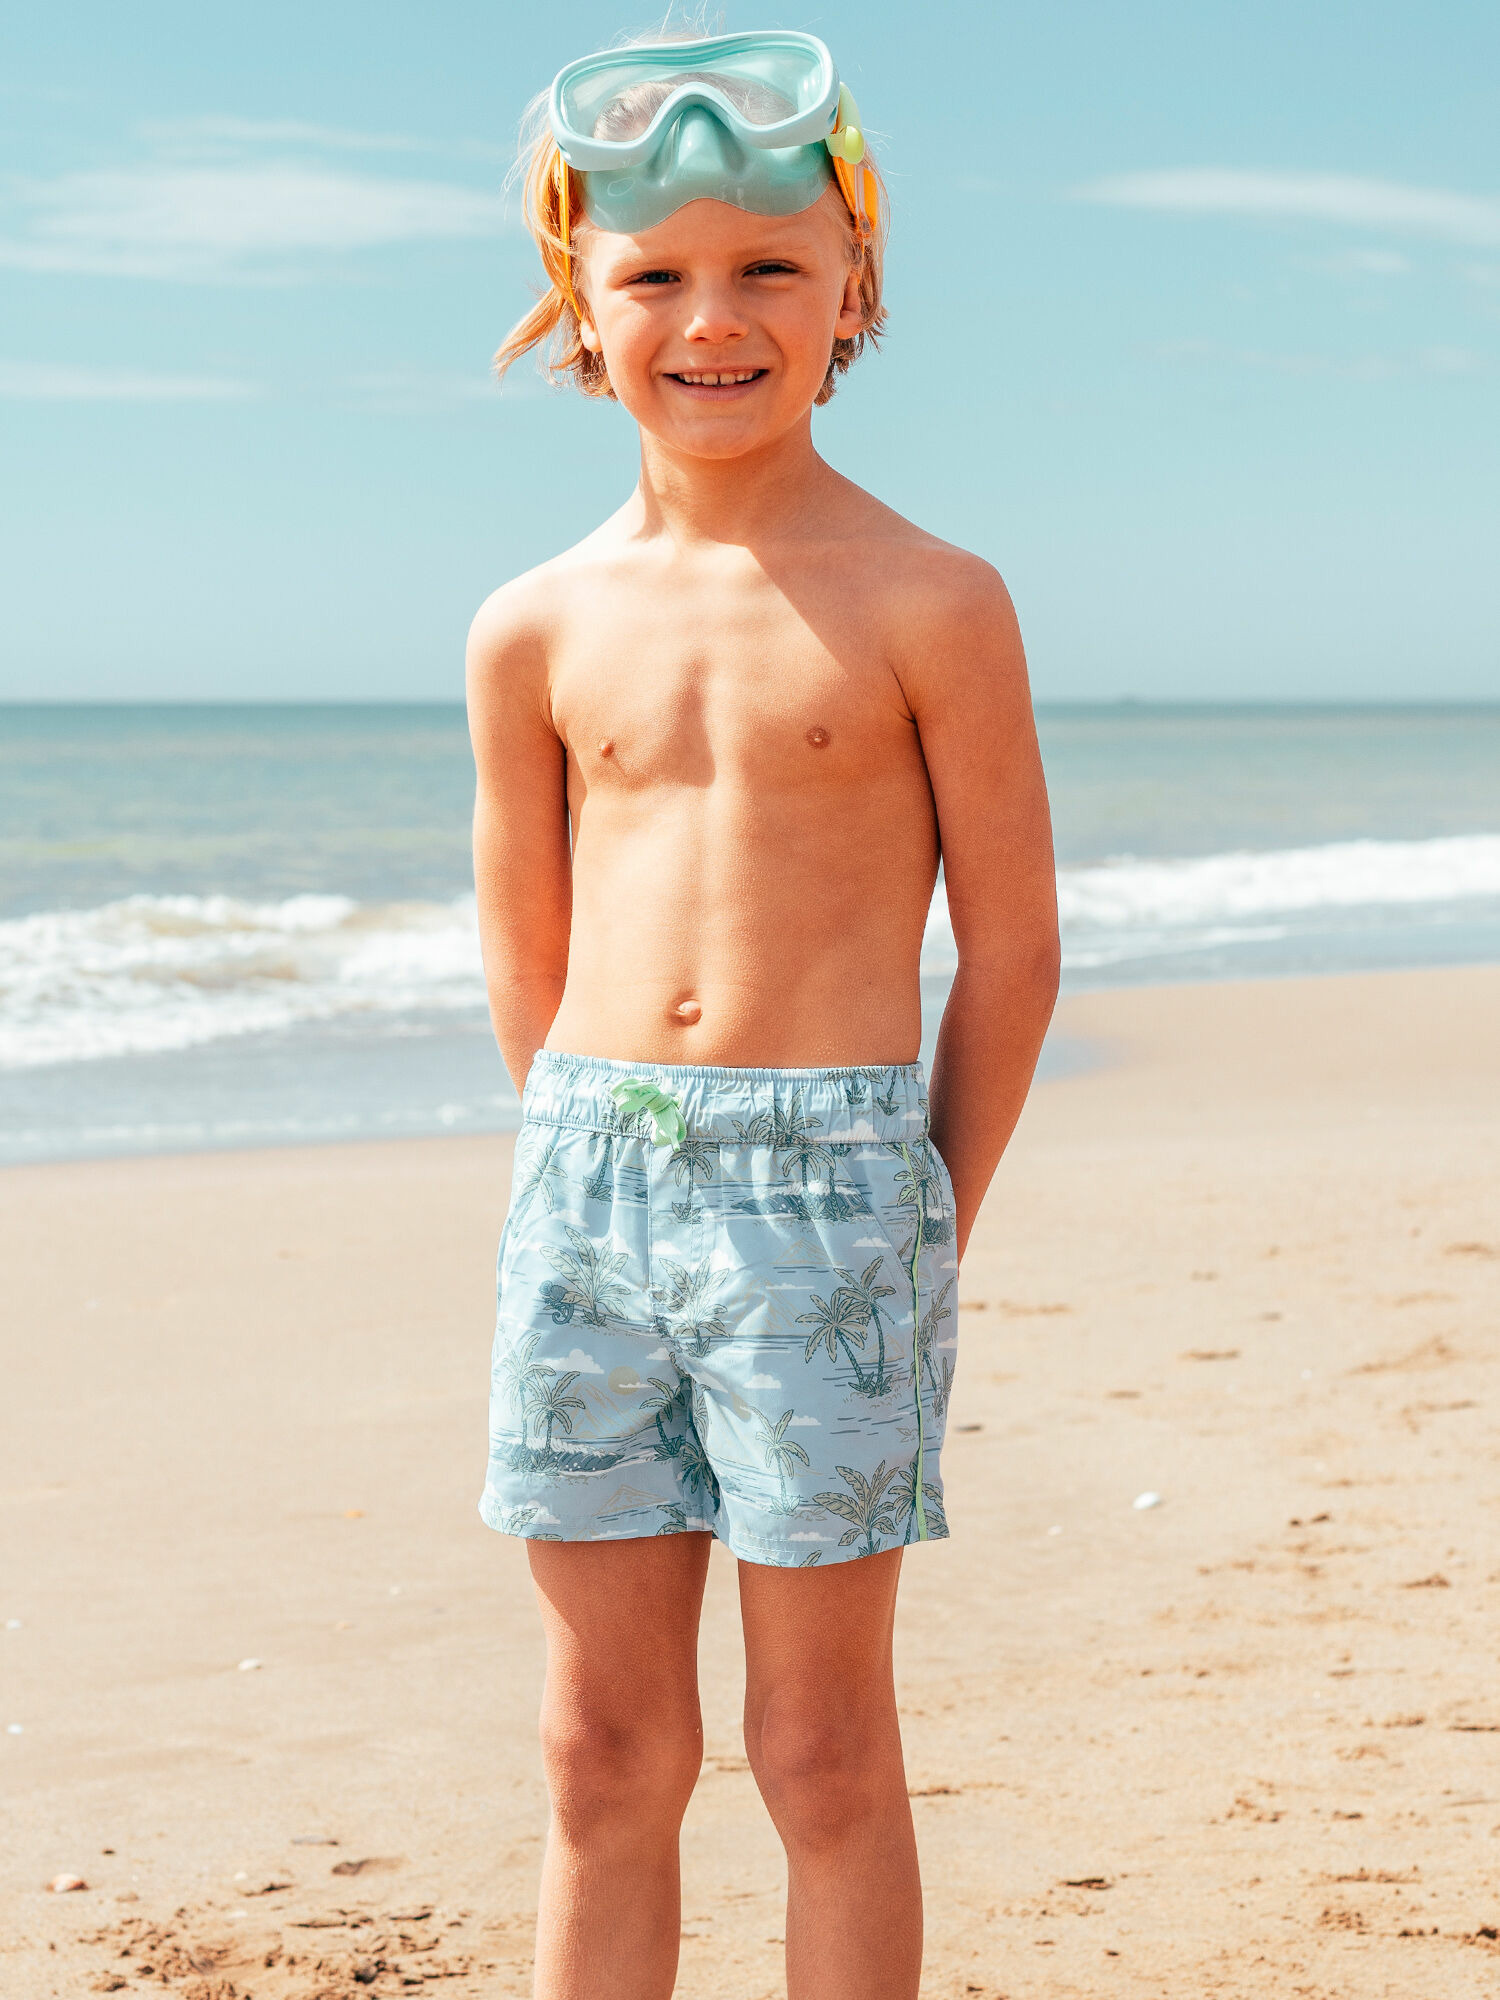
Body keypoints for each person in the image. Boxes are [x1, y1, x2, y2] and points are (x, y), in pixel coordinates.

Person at [467, 30, 1059, 2000]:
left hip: (837, 1192)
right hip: (590, 1180)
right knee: (601, 1747)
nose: (711, 319)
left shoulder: (933, 598)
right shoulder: (531, 624)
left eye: (769, 268)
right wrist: (584, 1173)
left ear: (853, 287)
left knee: (817, 1748)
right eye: (655, 274)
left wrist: (924, 1217)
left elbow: (1016, 948)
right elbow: (526, 951)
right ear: (582, 303)